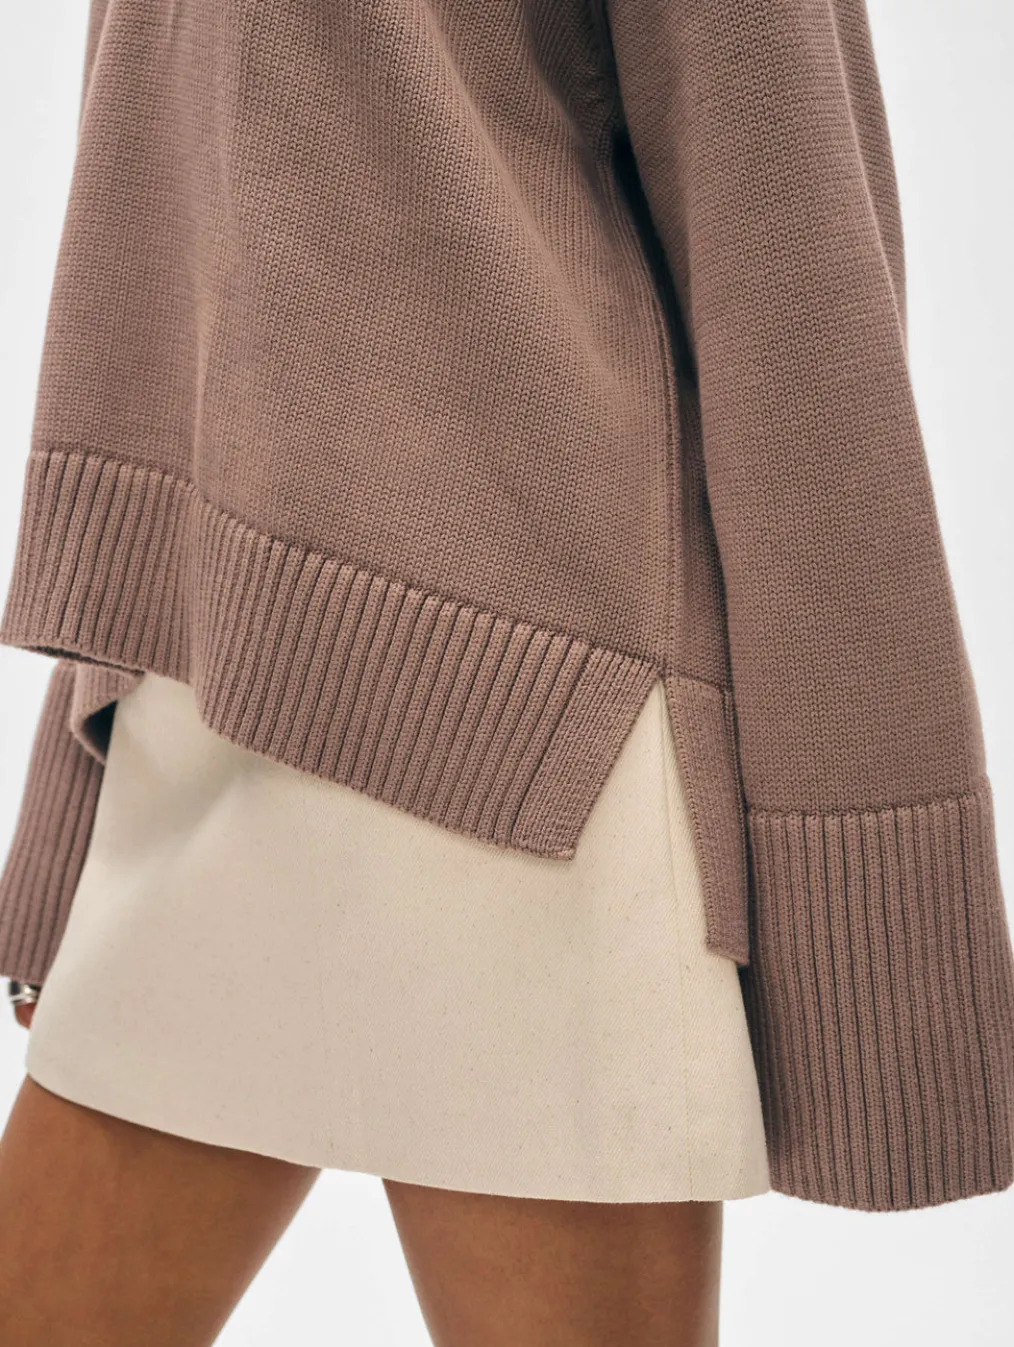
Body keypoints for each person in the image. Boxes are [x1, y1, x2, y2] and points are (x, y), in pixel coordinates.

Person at [0, 1, 1011, 1344]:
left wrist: (875, 893)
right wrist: (81, 789)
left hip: (537, 751)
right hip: (212, 725)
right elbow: (183, 240)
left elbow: (797, 283)